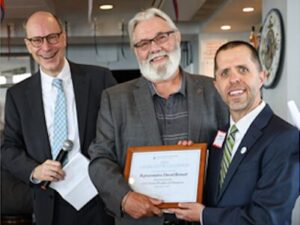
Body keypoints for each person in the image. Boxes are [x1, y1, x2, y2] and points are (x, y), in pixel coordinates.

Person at [88, 7, 228, 225]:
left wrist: (201, 157)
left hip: (202, 218)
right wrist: (124, 198)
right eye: (143, 43)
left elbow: (231, 149)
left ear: (177, 37)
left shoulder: (214, 90)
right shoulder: (115, 99)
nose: (154, 48)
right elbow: (100, 159)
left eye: (161, 37)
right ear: (136, 51)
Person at [1, 11, 116, 225]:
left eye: (52, 37)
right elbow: (8, 148)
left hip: (99, 198)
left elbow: (120, 131)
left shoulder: (100, 79)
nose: (46, 47)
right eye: (37, 40)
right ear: (28, 44)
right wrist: (34, 170)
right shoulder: (17, 95)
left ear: (63, 38)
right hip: (48, 202)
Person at [169, 41, 299, 225]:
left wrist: (204, 216)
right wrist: (187, 166)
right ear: (216, 85)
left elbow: (269, 218)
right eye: (224, 73)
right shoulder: (219, 135)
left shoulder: (285, 137)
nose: (233, 79)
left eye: (243, 69)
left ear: (262, 77)